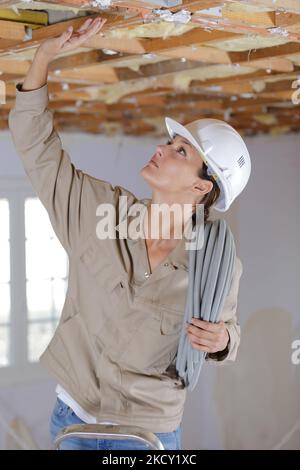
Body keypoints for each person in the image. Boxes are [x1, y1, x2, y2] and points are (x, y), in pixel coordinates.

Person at [8, 17, 249, 450]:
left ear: (201, 186)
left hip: (147, 432)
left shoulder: (216, 261)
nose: (161, 148)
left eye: (180, 151)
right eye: (169, 141)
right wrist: (44, 55)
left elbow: (227, 333)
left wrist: (221, 340)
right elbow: (35, 146)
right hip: (73, 418)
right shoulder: (100, 212)